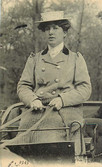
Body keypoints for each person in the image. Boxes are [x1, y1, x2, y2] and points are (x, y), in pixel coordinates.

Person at [16, 11, 91, 155]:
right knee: (20, 147)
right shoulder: (34, 59)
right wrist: (32, 99)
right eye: (47, 28)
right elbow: (23, 86)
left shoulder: (75, 59)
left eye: (55, 28)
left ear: (64, 32)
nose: (51, 32)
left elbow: (85, 89)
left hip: (64, 113)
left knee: (52, 144)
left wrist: (62, 99)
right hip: (35, 111)